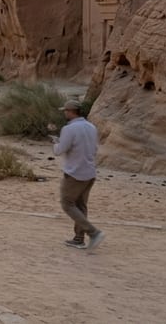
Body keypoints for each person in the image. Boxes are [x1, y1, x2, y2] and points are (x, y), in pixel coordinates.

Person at [52, 99, 104, 250]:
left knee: (67, 204)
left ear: (70, 112)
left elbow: (59, 150)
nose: (64, 113)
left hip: (75, 172)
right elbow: (93, 149)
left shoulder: (69, 129)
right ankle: (79, 238)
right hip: (89, 171)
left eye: (65, 111)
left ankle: (93, 233)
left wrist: (55, 144)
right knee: (81, 205)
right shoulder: (91, 127)